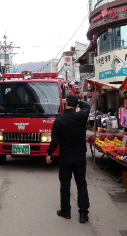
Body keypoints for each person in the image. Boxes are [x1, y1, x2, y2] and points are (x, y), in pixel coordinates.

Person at [46, 95, 91, 224]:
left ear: (65, 104)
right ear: (76, 106)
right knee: (81, 184)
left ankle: (65, 211)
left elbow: (55, 140)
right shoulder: (82, 116)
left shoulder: (60, 120)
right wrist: (79, 103)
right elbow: (87, 106)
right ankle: (83, 214)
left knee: (65, 184)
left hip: (65, 157)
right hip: (80, 157)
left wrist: (49, 153)